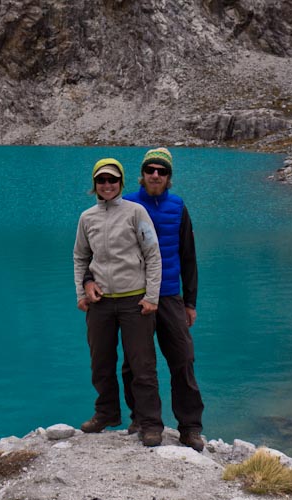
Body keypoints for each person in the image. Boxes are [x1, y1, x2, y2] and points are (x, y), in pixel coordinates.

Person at [83, 147, 205, 451]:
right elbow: (96, 251)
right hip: (134, 294)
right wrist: (87, 280)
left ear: (169, 177)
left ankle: (189, 427)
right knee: (134, 363)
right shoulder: (124, 204)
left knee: (182, 359)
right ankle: (140, 417)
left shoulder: (178, 207)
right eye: (150, 170)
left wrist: (190, 302)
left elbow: (188, 256)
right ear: (140, 174)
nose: (155, 175)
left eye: (161, 171)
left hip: (168, 295)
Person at [73, 158, 165, 447]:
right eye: (101, 180)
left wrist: (151, 297)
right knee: (100, 362)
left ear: (121, 182)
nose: (107, 185)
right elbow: (80, 257)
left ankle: (150, 423)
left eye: (112, 180)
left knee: (142, 365)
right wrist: (81, 291)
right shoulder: (87, 217)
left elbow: (153, 254)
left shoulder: (136, 212)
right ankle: (107, 413)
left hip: (134, 301)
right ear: (95, 185)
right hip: (100, 302)